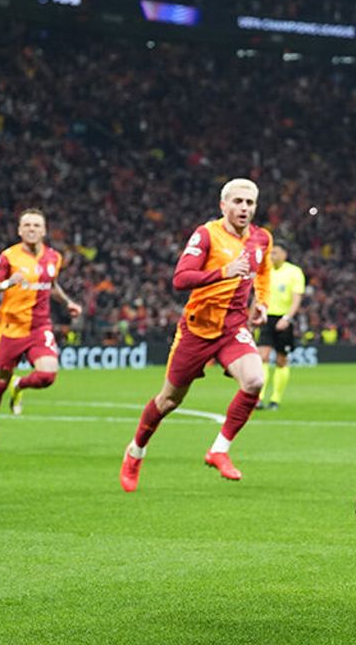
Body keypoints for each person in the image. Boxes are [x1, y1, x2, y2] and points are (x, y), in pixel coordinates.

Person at [118, 179, 272, 492]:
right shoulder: (207, 234)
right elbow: (181, 278)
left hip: (233, 327)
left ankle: (219, 450)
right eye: (238, 201)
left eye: (249, 203)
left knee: (255, 380)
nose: (244, 208)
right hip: (197, 329)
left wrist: (263, 303)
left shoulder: (261, 238)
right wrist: (224, 272)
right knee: (169, 400)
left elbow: (264, 271)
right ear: (223, 205)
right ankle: (135, 451)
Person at [0, 210, 82, 453]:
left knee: (47, 376)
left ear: (44, 230)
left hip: (39, 327)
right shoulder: (8, 257)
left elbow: (52, 284)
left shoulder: (54, 257)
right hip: (12, 329)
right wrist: (7, 283)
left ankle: (20, 384)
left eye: (36, 225)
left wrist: (68, 303)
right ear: (19, 230)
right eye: (27, 225)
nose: (31, 229)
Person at [257, 243, 306, 410]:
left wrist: (287, 318)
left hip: (284, 319)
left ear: (284, 254)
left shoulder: (294, 272)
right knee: (262, 356)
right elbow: (258, 295)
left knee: (281, 360)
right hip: (266, 317)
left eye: (275, 253)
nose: (272, 256)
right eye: (270, 253)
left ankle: (275, 399)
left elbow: (296, 299)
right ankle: (258, 398)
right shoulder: (265, 270)